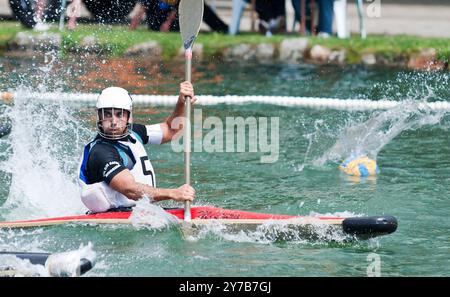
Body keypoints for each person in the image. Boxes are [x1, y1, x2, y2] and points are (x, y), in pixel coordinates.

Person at [78, 82, 196, 213]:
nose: (113, 122)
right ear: (99, 117)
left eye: (119, 114)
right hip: (115, 217)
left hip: (139, 211)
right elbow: (130, 190)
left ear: (129, 117)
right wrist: (172, 193)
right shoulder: (100, 152)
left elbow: (171, 129)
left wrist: (181, 103)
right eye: (107, 115)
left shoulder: (134, 133)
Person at [130, 0, 228, 33]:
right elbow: (142, 9)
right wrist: (133, 24)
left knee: (199, 5)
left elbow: (176, 9)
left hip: (169, 23)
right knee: (199, 6)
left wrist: (167, 23)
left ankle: (221, 28)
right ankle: (222, 28)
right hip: (158, 25)